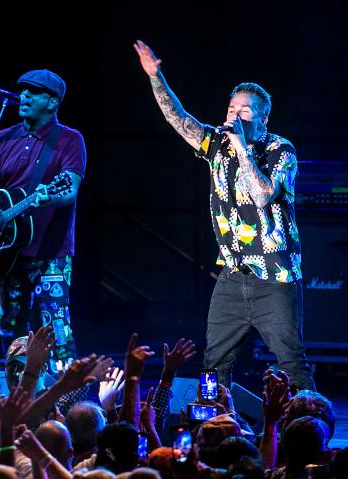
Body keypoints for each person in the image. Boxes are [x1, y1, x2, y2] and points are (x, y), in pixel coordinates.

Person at [133, 41, 314, 391]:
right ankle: (214, 432)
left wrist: (242, 149)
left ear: (262, 118)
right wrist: (156, 77)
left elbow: (263, 196)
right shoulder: (216, 144)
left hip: (274, 277)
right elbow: (178, 118)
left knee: (290, 360)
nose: (234, 115)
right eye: (232, 108)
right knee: (214, 364)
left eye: (244, 111)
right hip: (232, 277)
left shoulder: (281, 150)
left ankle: (308, 428)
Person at [0, 69, 87, 371]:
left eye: (34, 91)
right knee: (11, 336)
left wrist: (48, 196)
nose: (24, 96)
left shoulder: (69, 140)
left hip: (52, 255)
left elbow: (69, 188)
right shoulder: (1, 139)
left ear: (52, 102)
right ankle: (16, 403)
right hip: (9, 256)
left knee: (57, 334)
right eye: (23, 90)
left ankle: (66, 406)